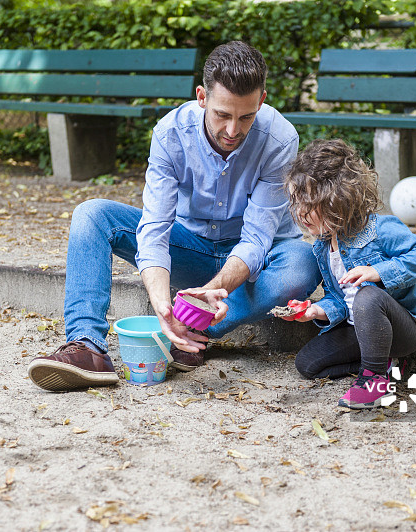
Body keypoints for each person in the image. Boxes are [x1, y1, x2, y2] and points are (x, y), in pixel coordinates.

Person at [28, 41, 322, 392]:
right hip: (190, 247)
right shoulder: (170, 134)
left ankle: (196, 330)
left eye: (245, 117)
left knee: (304, 262)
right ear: (202, 97)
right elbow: (154, 229)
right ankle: (88, 347)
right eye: (222, 115)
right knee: (92, 215)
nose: (232, 130)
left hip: (255, 266)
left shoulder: (279, 137)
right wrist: (165, 310)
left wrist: (201, 301)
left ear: (261, 101)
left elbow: (257, 239)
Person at [279, 138, 416, 409]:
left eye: (309, 204)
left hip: (400, 329)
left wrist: (377, 271)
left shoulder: (379, 229)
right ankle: (382, 365)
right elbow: (339, 298)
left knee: (368, 297)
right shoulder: (321, 247)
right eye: (296, 202)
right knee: (307, 364)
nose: (300, 213)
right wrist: (315, 311)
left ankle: (374, 380)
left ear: (337, 200)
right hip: (362, 331)